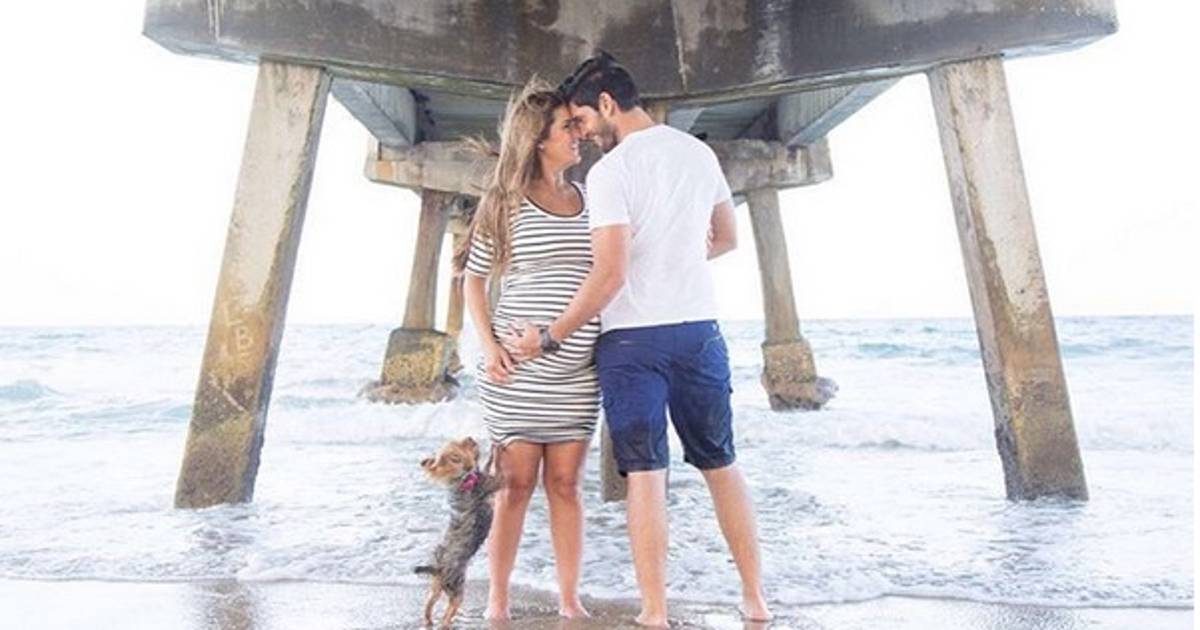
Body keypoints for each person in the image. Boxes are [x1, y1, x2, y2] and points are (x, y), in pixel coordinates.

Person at [504, 52, 773, 626]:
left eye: (582, 120)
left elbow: (610, 275)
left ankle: (655, 612)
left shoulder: (611, 173)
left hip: (633, 344)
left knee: (647, 475)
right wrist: (677, 257)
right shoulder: (698, 153)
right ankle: (755, 599)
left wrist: (549, 336)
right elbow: (727, 238)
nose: (582, 133)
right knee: (721, 464)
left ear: (607, 103)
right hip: (699, 332)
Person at [456, 78, 596, 620]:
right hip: (515, 373)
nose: (578, 134)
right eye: (568, 127)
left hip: (577, 374)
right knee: (514, 487)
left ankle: (570, 598)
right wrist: (489, 345)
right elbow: (473, 279)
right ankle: (497, 597)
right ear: (538, 139)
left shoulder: (591, 200)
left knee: (566, 486)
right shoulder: (504, 202)